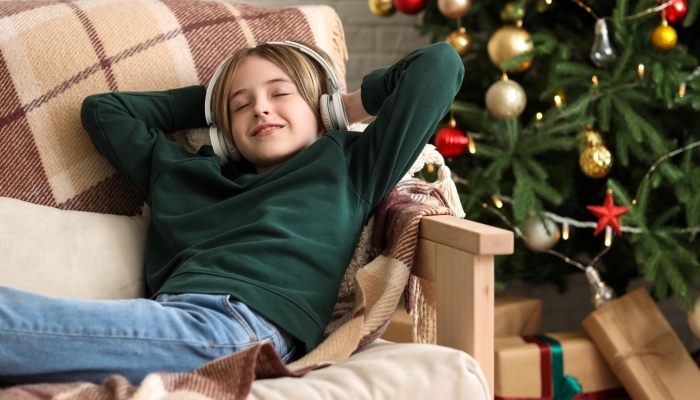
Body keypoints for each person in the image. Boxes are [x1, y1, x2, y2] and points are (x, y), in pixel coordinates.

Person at [0, 40, 464, 387]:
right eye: (240, 105)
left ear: (319, 108)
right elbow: (103, 111)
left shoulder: (349, 164)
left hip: (242, 328)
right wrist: (210, 103)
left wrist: (343, 106)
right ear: (223, 131)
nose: (260, 107)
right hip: (168, 317)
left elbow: (440, 65)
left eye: (280, 94)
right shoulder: (180, 174)